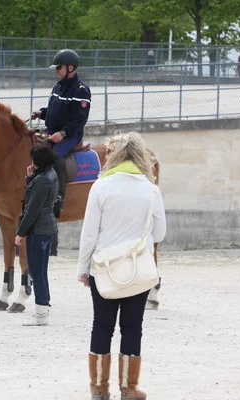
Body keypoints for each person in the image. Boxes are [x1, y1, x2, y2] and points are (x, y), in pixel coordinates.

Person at [77, 132, 166, 400]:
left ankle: (98, 388)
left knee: (101, 326)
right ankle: (128, 388)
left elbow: (89, 233)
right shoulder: (151, 189)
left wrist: (83, 267)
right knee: (132, 327)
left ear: (112, 155)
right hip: (137, 269)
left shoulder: (101, 186)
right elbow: (160, 233)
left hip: (103, 267)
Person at [30, 49, 91, 213]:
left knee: (55, 157)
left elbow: (80, 119)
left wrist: (63, 133)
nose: (56, 71)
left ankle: (58, 198)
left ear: (70, 68)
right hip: (52, 130)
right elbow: (53, 109)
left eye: (59, 68)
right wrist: (41, 113)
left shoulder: (81, 90)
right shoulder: (57, 86)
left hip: (71, 134)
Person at [14, 146, 59, 326]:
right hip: (47, 229)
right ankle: (43, 308)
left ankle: (41, 313)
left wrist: (20, 232)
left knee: (36, 272)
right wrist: (30, 177)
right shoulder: (50, 174)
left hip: (38, 230)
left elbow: (32, 209)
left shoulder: (42, 180)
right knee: (41, 272)